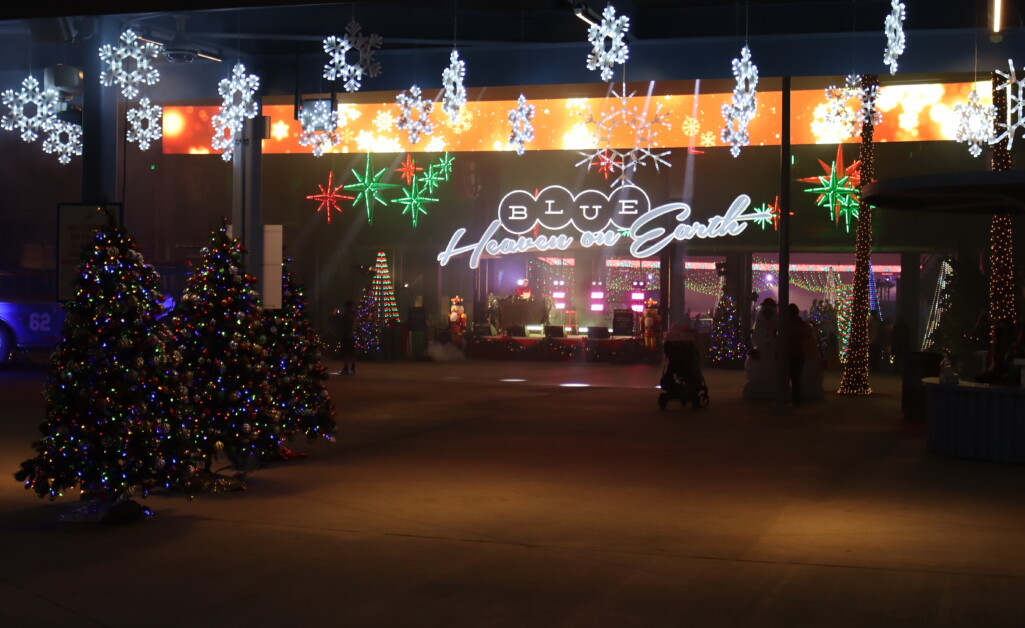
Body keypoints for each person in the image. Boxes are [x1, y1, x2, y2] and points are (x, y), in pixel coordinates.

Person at [742, 297, 778, 399]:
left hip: (772, 355)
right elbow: (749, 339)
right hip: (760, 355)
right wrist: (751, 350)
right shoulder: (758, 325)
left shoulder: (777, 325)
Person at [788, 303, 813, 406]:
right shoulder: (802, 324)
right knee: (796, 378)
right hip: (800, 353)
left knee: (788, 377)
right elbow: (808, 336)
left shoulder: (786, 324)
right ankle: (796, 399)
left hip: (789, 353)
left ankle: (789, 398)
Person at [337, 300, 356, 374]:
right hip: (351, 335)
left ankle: (346, 367)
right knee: (351, 352)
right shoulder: (354, 314)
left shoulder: (346, 315)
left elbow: (343, 324)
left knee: (345, 352)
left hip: (346, 335)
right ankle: (352, 367)